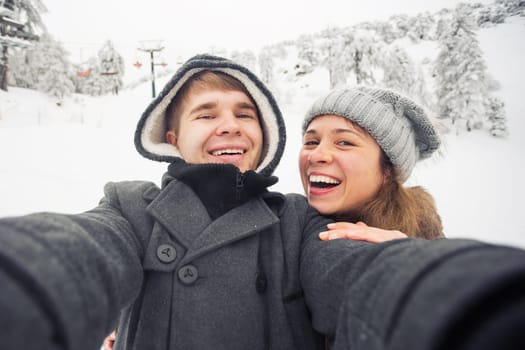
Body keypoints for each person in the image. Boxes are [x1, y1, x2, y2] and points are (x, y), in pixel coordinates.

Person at [1, 54, 525, 350]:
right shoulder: (130, 210)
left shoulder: (297, 222)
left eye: (244, 112)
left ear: (262, 135)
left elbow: (364, 279)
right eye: (206, 113)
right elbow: (77, 255)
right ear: (172, 137)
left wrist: (461, 295)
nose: (228, 122)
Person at [301, 87, 444, 242]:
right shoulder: (287, 225)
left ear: (388, 170)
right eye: (311, 142)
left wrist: (410, 257)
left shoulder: (427, 239)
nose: (315, 155)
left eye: (344, 142)